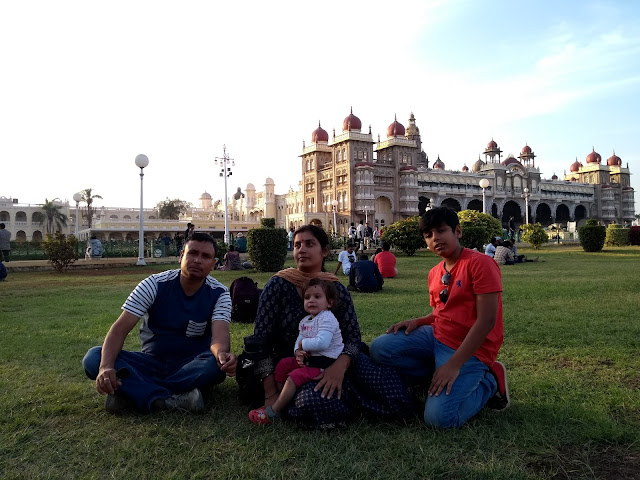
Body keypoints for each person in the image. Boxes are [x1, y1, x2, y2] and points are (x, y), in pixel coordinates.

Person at [251, 224, 412, 429]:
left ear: (324, 251)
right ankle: (334, 400)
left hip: (337, 358)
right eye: (297, 245)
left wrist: (339, 367)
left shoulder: (335, 288)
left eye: (309, 244)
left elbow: (353, 336)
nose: (302, 250)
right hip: (291, 364)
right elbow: (260, 339)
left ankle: (346, 395)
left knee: (388, 389)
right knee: (311, 400)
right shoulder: (279, 285)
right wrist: (270, 392)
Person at [369, 207, 510, 429]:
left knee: (439, 420)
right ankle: (434, 374)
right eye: (428, 235)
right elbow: (440, 311)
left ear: (458, 232)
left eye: (441, 231)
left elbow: (486, 321)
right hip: (436, 336)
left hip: (470, 349)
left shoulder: (480, 263)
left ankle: (490, 382)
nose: (435, 238)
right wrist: (419, 321)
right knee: (380, 348)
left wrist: (453, 365)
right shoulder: (435, 272)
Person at [82, 232, 237, 413]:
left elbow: (219, 337)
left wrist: (221, 355)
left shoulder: (219, 293)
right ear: (181, 256)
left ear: (213, 264)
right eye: (192, 253)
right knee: (94, 358)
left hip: (191, 365)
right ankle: (173, 399)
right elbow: (119, 330)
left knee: (214, 367)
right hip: (151, 362)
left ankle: (134, 394)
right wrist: (106, 367)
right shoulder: (154, 284)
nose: (197, 260)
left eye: (205, 256)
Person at [249, 279, 344, 424]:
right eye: (307, 297)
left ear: (329, 303)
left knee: (293, 377)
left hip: (323, 364)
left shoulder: (327, 319)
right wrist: (297, 352)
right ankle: (282, 400)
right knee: (282, 365)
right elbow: (299, 340)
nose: (311, 300)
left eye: (317, 297)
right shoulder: (305, 320)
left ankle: (274, 412)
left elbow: (322, 343)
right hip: (309, 360)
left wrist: (302, 344)